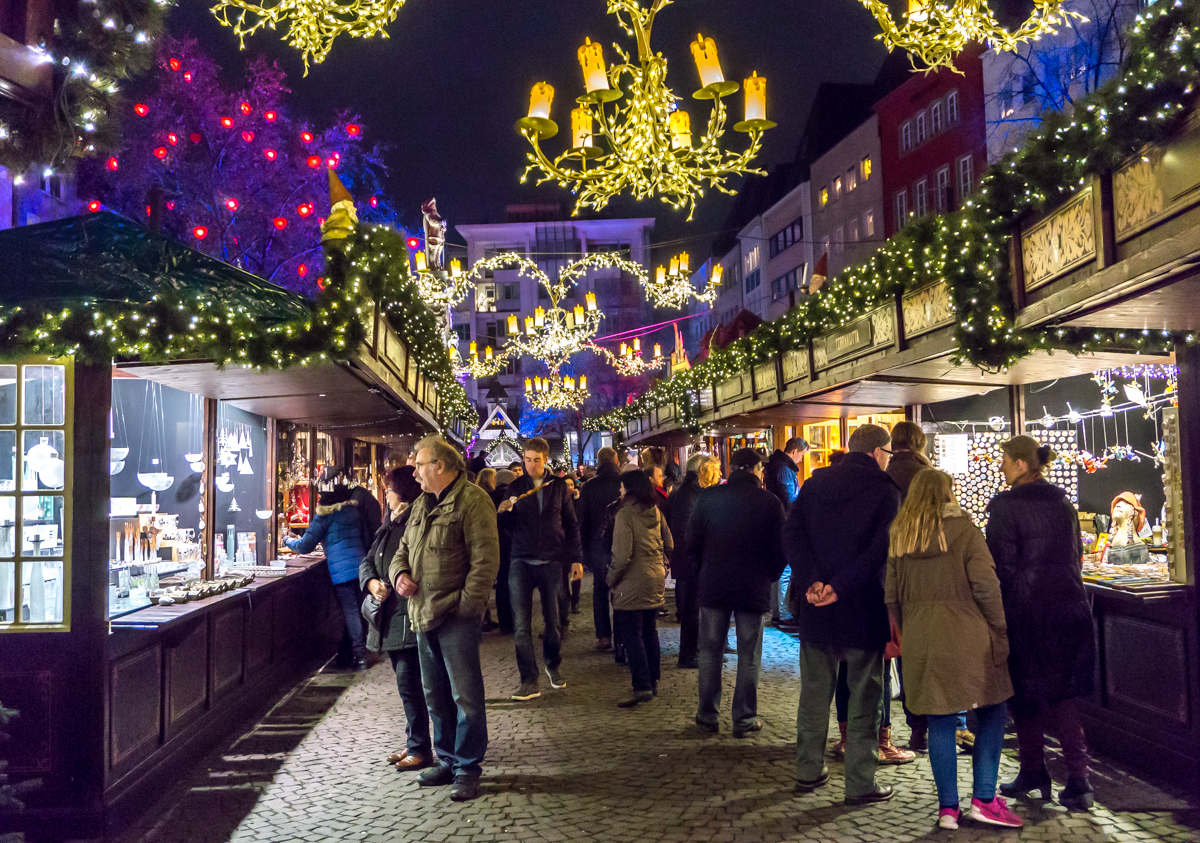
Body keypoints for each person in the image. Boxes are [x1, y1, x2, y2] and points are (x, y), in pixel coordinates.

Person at [886, 469, 1020, 829]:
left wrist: (911, 625)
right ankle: (985, 799)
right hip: (969, 633)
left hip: (921, 638)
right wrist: (999, 629)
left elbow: (891, 596)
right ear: (947, 494)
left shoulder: (901, 536)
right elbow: (987, 588)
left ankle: (948, 809)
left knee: (939, 719)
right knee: (992, 709)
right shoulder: (965, 531)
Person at [786, 423, 900, 804]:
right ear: (876, 453)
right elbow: (877, 552)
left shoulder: (815, 484)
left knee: (815, 694)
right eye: (888, 454)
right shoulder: (885, 491)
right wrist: (840, 587)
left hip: (817, 607)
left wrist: (811, 582)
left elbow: (793, 535)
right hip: (861, 607)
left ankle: (808, 770)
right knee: (866, 697)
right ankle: (860, 783)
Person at [389, 435, 500, 802]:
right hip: (422, 612)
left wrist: (467, 606)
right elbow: (401, 550)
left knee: (465, 695)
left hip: (454, 614)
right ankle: (448, 759)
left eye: (419, 465)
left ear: (440, 466)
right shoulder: (421, 503)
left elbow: (486, 561)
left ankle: (468, 767)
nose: (415, 472)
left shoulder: (473, 500)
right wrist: (399, 574)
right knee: (435, 694)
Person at [988, 435, 1096, 810]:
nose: (1000, 465)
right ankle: (1079, 779)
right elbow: (1077, 555)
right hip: (1069, 607)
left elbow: (999, 566)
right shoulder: (1063, 502)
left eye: (1004, 459)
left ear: (1020, 464)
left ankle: (1034, 771)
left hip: (1026, 611)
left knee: (1025, 692)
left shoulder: (1005, 506)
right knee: (1063, 693)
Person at [687, 448, 787, 737]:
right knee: (749, 654)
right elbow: (780, 549)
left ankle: (707, 715)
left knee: (709, 651)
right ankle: (744, 717)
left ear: (731, 469)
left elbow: (691, 541)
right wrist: (768, 576)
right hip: (752, 587)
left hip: (714, 584)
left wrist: (702, 571)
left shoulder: (709, 497)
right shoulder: (769, 502)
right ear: (756, 470)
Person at [497, 437, 584, 701]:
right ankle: (528, 679)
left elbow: (570, 523)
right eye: (527, 459)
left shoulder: (558, 487)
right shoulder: (514, 487)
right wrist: (504, 513)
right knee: (521, 626)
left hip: (551, 560)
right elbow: (506, 529)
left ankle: (552, 665)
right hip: (521, 560)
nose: (531, 465)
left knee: (553, 621)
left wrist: (577, 558)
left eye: (536, 460)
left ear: (545, 459)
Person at [360, 467, 431, 772]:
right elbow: (369, 559)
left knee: (411, 684)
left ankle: (421, 748)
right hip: (393, 616)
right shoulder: (390, 523)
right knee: (408, 685)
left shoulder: (410, 524)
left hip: (406, 617)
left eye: (388, 490)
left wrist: (388, 578)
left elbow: (401, 565)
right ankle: (415, 743)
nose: (385, 495)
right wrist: (370, 582)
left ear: (402, 492)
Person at [286, 484, 370, 671]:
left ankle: (360, 655)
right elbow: (365, 538)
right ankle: (357, 652)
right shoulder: (354, 512)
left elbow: (305, 545)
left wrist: (287, 540)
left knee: (350, 612)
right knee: (358, 610)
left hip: (341, 571)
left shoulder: (324, 517)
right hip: (361, 567)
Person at [609, 470, 673, 707]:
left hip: (632, 581)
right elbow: (670, 542)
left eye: (622, 487)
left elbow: (622, 554)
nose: (619, 491)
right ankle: (652, 681)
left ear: (630, 488)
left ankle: (641, 685)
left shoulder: (625, 515)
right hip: (655, 578)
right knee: (649, 630)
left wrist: (610, 578)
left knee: (631, 634)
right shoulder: (655, 511)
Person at [664, 454, 712, 669]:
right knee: (691, 610)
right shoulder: (690, 492)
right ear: (702, 469)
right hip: (689, 561)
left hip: (688, 559)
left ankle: (694, 650)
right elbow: (686, 529)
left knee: (693, 609)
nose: (718, 474)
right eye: (715, 468)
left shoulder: (690, 490)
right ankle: (688, 655)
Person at [578, 447, 623, 651]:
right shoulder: (623, 483)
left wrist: (583, 550)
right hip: (621, 542)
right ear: (615, 460)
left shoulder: (589, 487)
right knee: (620, 589)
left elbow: (582, 521)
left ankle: (604, 635)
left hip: (597, 544)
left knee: (600, 589)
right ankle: (621, 634)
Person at [765, 436, 808, 629]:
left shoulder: (778, 466)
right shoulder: (784, 469)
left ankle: (777, 612)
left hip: (778, 522)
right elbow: (789, 497)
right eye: (802, 456)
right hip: (785, 522)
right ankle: (782, 613)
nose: (801, 460)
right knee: (785, 569)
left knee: (780, 569)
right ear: (795, 451)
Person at [563, 476, 582, 615]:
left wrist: (577, 500)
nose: (569, 487)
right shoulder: (559, 500)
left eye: (571, 484)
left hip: (574, 542)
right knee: (563, 575)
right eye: (566, 485)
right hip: (562, 542)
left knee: (575, 573)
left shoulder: (577, 500)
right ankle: (566, 599)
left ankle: (575, 600)